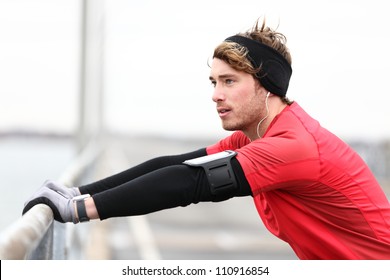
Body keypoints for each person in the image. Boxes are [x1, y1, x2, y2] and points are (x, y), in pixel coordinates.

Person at [22, 19, 390, 260]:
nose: (216, 93)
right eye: (214, 82)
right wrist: (79, 193)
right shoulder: (258, 137)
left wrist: (78, 211)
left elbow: (192, 184)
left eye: (229, 81)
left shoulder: (293, 145)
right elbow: (177, 165)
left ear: (268, 87)